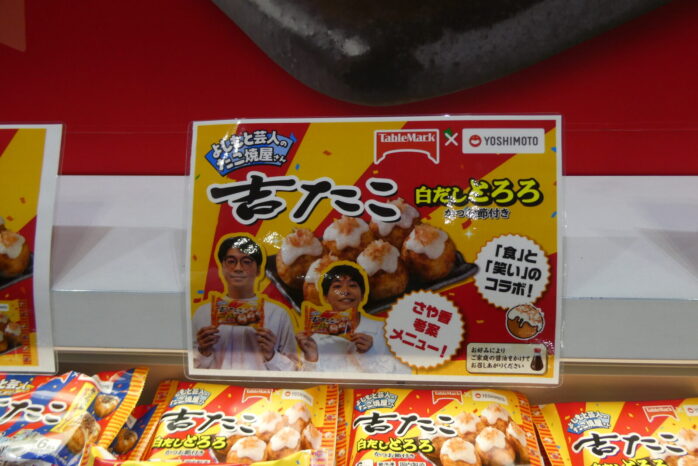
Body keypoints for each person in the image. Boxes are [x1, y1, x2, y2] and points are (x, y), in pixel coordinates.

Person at [192, 235, 298, 371]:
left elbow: (293, 370)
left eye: (246, 262)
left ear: (258, 270)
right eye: (231, 261)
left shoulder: (278, 315)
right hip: (216, 385)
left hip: (262, 385)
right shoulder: (203, 313)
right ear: (222, 267)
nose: (238, 268)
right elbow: (188, 368)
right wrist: (203, 352)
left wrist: (271, 355)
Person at [295, 263, 410, 374]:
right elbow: (305, 384)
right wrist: (311, 358)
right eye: (337, 286)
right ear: (326, 298)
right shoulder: (314, 339)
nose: (345, 291)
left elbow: (404, 375)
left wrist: (370, 354)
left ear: (363, 295)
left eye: (352, 285)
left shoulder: (385, 330)